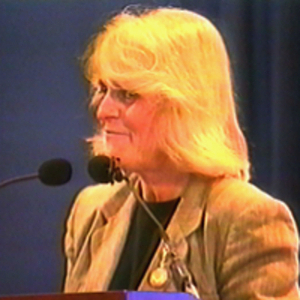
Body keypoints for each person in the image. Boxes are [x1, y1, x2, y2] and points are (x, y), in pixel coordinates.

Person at [63, 6, 300, 300]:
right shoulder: (90, 211)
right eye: (102, 90)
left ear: (185, 107)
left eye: (128, 94)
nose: (103, 111)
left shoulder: (248, 218)